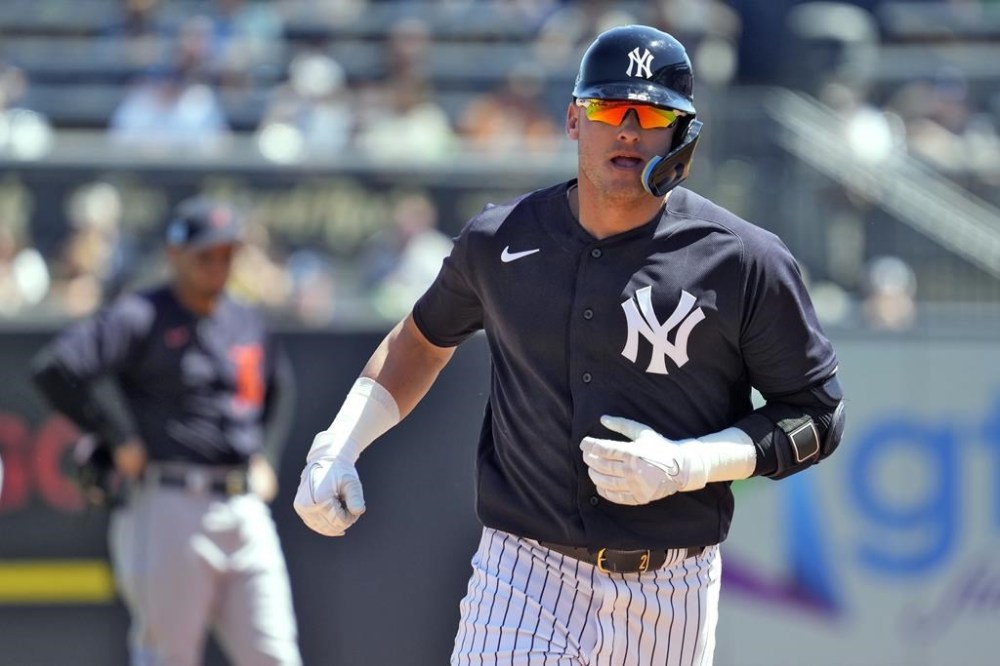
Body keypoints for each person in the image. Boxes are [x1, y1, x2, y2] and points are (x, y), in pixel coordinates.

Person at [293, 24, 846, 666]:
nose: (630, 130)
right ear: (574, 120)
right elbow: (420, 339)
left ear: (682, 136)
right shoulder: (500, 240)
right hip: (525, 570)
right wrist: (340, 441)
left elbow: (817, 414)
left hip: (672, 587)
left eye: (654, 113)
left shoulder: (741, 261)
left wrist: (687, 463)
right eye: (611, 109)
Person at [31, 197, 302, 666]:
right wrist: (118, 436)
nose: (218, 265)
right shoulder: (142, 314)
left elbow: (282, 388)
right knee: (168, 658)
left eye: (227, 254)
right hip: (169, 503)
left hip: (243, 507)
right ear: (176, 255)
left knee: (275, 655)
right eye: (206, 255)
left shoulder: (244, 318)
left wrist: (268, 456)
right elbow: (56, 368)